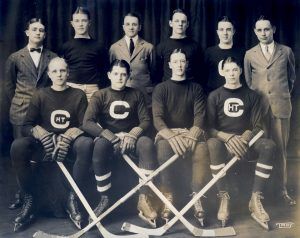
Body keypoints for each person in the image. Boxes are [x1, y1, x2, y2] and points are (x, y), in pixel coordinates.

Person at [10, 57, 93, 231]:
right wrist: (38, 132)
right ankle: (30, 197)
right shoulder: (40, 94)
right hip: (45, 144)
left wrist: (71, 134)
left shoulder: (78, 94)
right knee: (18, 146)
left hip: (68, 145)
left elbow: (85, 125)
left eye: (62, 70)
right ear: (49, 74)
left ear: (68, 72)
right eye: (54, 71)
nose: (59, 74)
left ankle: (73, 198)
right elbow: (26, 125)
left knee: (85, 143)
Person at [82, 59, 158, 227]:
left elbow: (146, 120)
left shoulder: (136, 94)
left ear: (129, 76)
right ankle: (104, 198)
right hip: (110, 141)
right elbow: (87, 122)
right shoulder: (100, 95)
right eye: (116, 74)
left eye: (123, 74)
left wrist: (132, 135)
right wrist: (111, 136)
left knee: (146, 143)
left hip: (131, 140)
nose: (119, 77)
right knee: (100, 145)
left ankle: (144, 197)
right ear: (109, 75)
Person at [207, 56, 275, 230]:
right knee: (213, 144)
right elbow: (209, 128)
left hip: (247, 144)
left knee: (269, 145)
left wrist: (245, 137)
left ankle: (255, 198)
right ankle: (224, 196)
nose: (231, 74)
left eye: (235, 70)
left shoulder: (252, 96)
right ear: (222, 72)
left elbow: (258, 125)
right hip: (224, 145)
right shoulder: (214, 95)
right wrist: (227, 138)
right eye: (228, 70)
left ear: (240, 72)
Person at [152, 49, 209, 226]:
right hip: (169, 135)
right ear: (169, 65)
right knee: (162, 148)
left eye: (182, 61)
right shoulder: (161, 88)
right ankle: (167, 195)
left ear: (187, 64)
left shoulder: (196, 88)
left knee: (201, 148)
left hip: (189, 133)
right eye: (175, 62)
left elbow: (199, 116)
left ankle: (197, 196)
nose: (179, 65)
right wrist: (170, 136)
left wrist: (192, 134)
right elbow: (158, 118)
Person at [5, 17, 57, 210]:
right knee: (20, 153)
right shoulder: (15, 57)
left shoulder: (53, 57)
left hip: (44, 112)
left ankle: (40, 193)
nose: (38, 33)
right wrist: (21, 102)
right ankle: (24, 192)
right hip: (20, 112)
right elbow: (10, 87)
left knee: (41, 152)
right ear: (27, 32)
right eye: (34, 29)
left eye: (41, 30)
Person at [244, 15, 296, 206]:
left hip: (280, 108)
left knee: (281, 150)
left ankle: (281, 191)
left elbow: (291, 79)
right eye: (259, 30)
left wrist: (279, 97)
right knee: (261, 150)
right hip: (258, 111)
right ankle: (259, 194)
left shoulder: (286, 51)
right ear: (255, 32)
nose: (263, 33)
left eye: (266, 29)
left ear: (273, 29)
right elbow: (249, 82)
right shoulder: (250, 54)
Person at [60, 6, 107, 101]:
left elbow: (104, 71)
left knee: (91, 116)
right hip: (71, 87)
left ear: (89, 22)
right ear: (72, 23)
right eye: (77, 21)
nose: (80, 24)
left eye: (84, 21)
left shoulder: (99, 46)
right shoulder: (65, 47)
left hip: (93, 90)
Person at [109, 12, 154, 106]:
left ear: (139, 27)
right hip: (122, 95)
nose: (131, 27)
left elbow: (155, 72)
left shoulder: (148, 47)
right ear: (123, 27)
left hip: (144, 95)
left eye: (134, 24)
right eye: (128, 24)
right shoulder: (114, 48)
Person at [155, 9, 203, 84]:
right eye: (177, 21)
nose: (180, 24)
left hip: (190, 91)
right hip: (169, 91)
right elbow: (157, 73)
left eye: (183, 21)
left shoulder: (195, 46)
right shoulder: (161, 47)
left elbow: (200, 72)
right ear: (171, 23)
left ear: (187, 24)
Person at [204, 16, 245, 93]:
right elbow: (203, 78)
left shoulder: (242, 52)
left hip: (236, 95)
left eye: (228, 30)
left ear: (233, 31)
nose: (225, 33)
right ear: (217, 32)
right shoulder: (209, 52)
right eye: (221, 30)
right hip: (214, 97)